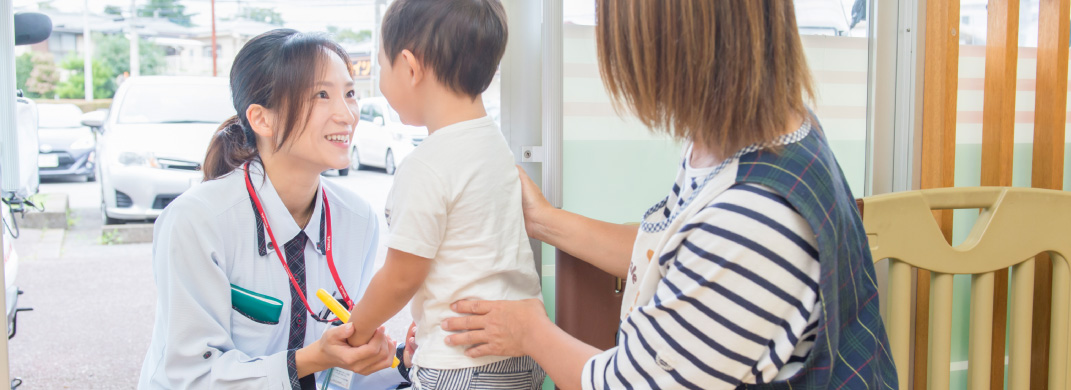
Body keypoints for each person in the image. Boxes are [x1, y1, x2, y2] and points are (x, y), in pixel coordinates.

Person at [441, 1, 899, 389]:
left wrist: (529, 332)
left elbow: (628, 382)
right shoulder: (747, 137)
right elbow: (673, 254)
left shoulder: (757, 218)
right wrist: (541, 219)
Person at [138, 29, 410, 389]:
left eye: (349, 93)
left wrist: (404, 361)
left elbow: (341, 378)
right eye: (321, 95)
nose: (347, 115)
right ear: (262, 119)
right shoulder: (197, 221)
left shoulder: (357, 220)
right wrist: (314, 358)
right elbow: (192, 376)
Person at [342, 0, 546, 389]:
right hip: (522, 354)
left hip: (459, 364)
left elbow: (401, 277)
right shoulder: (493, 143)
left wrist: (357, 329)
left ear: (410, 67)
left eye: (382, 66)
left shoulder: (426, 165)